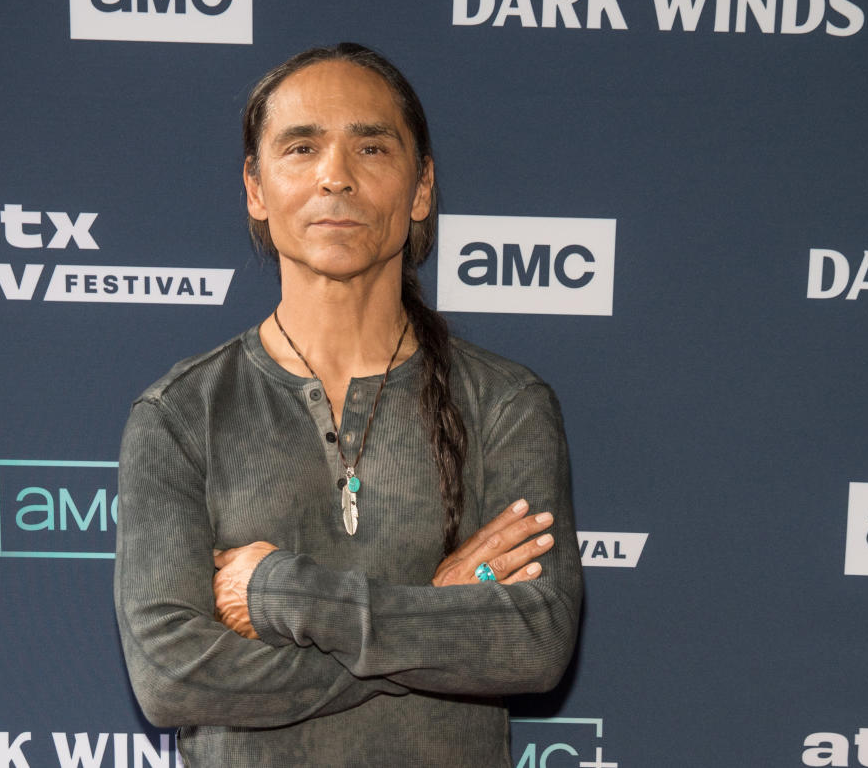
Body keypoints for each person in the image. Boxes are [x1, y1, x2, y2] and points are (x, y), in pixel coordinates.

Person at [114, 42, 582, 767]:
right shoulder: (181, 415)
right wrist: (436, 603)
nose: (335, 176)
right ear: (255, 188)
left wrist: (279, 593)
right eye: (301, 147)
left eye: (371, 147)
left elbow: (532, 641)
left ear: (421, 188)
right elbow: (172, 677)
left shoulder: (507, 404)